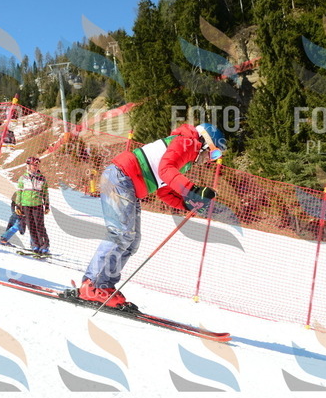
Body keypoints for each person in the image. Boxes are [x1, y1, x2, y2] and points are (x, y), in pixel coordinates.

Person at [81, 123, 227, 308]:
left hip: (128, 184)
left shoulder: (186, 157)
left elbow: (164, 191)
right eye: (213, 154)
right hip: (121, 177)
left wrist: (188, 203)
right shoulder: (187, 143)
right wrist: (193, 190)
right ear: (205, 143)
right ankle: (91, 285)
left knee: (131, 241)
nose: (210, 160)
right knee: (121, 234)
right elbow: (166, 170)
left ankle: (104, 285)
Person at [14, 156, 50, 253]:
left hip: (37, 205)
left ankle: (44, 245)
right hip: (26, 205)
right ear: (28, 165)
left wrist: (46, 205)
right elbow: (19, 192)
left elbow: (45, 193)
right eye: (34, 165)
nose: (36, 167)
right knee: (31, 225)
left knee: (39, 225)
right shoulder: (22, 178)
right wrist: (18, 205)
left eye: (37, 165)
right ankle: (35, 245)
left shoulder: (42, 178)